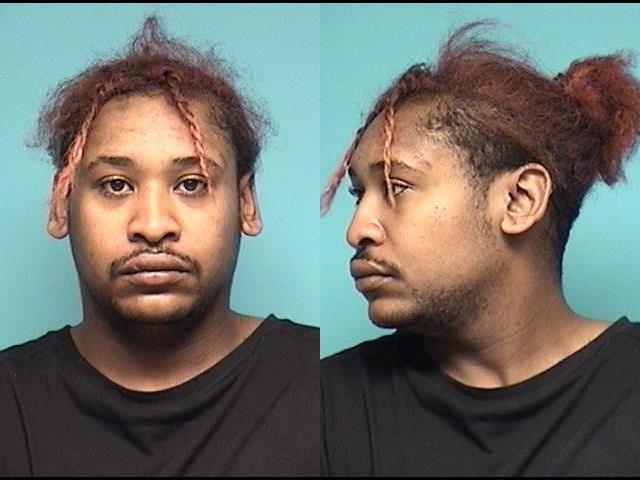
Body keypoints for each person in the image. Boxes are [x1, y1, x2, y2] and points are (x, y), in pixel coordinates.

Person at [0, 16, 318, 476]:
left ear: (246, 203)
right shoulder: (10, 402)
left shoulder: (324, 386)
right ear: (60, 204)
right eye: (115, 185)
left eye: (191, 184)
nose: (152, 225)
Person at [320, 21, 640, 476]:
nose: (357, 230)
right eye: (359, 194)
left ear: (519, 200)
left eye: (397, 187)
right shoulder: (327, 406)